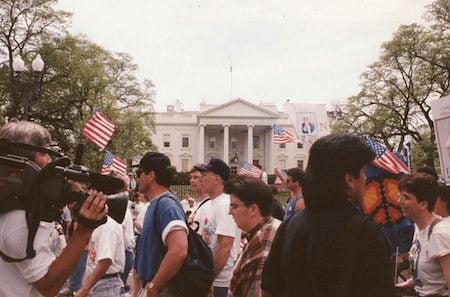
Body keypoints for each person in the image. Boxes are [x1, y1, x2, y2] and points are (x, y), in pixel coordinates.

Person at [261, 134, 397, 297]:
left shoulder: (290, 224)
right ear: (349, 179)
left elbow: (267, 289)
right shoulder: (365, 233)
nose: (365, 179)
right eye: (362, 172)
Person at [0, 120, 108, 297]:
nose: (50, 160)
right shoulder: (22, 219)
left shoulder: (9, 208)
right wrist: (83, 231)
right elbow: (49, 286)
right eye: (43, 152)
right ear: (24, 159)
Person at [135, 152, 188, 296]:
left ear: (151, 175)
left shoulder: (167, 205)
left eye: (139, 173)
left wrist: (154, 285)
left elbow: (179, 250)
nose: (137, 178)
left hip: (163, 289)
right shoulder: (157, 203)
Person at [225, 175, 281, 297]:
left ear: (253, 209)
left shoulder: (262, 244)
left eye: (234, 206)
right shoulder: (269, 229)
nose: (230, 212)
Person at [396, 173, 450, 296]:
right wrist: (408, 283)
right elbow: (430, 276)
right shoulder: (419, 227)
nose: (399, 201)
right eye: (399, 196)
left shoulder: (439, 235)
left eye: (406, 197)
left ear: (423, 204)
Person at [194, 158, 241, 297]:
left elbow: (225, 245)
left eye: (204, 176)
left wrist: (209, 279)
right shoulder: (210, 204)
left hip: (221, 283)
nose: (201, 179)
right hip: (211, 279)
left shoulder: (226, 203)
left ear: (217, 178)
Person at [75, 215, 125, 297]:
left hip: (107, 286)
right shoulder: (97, 225)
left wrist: (85, 289)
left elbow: (105, 261)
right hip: (97, 284)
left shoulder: (107, 228)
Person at [188, 165, 211, 235]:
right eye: (191, 177)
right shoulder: (197, 206)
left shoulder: (210, 205)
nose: (191, 180)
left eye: (195, 177)